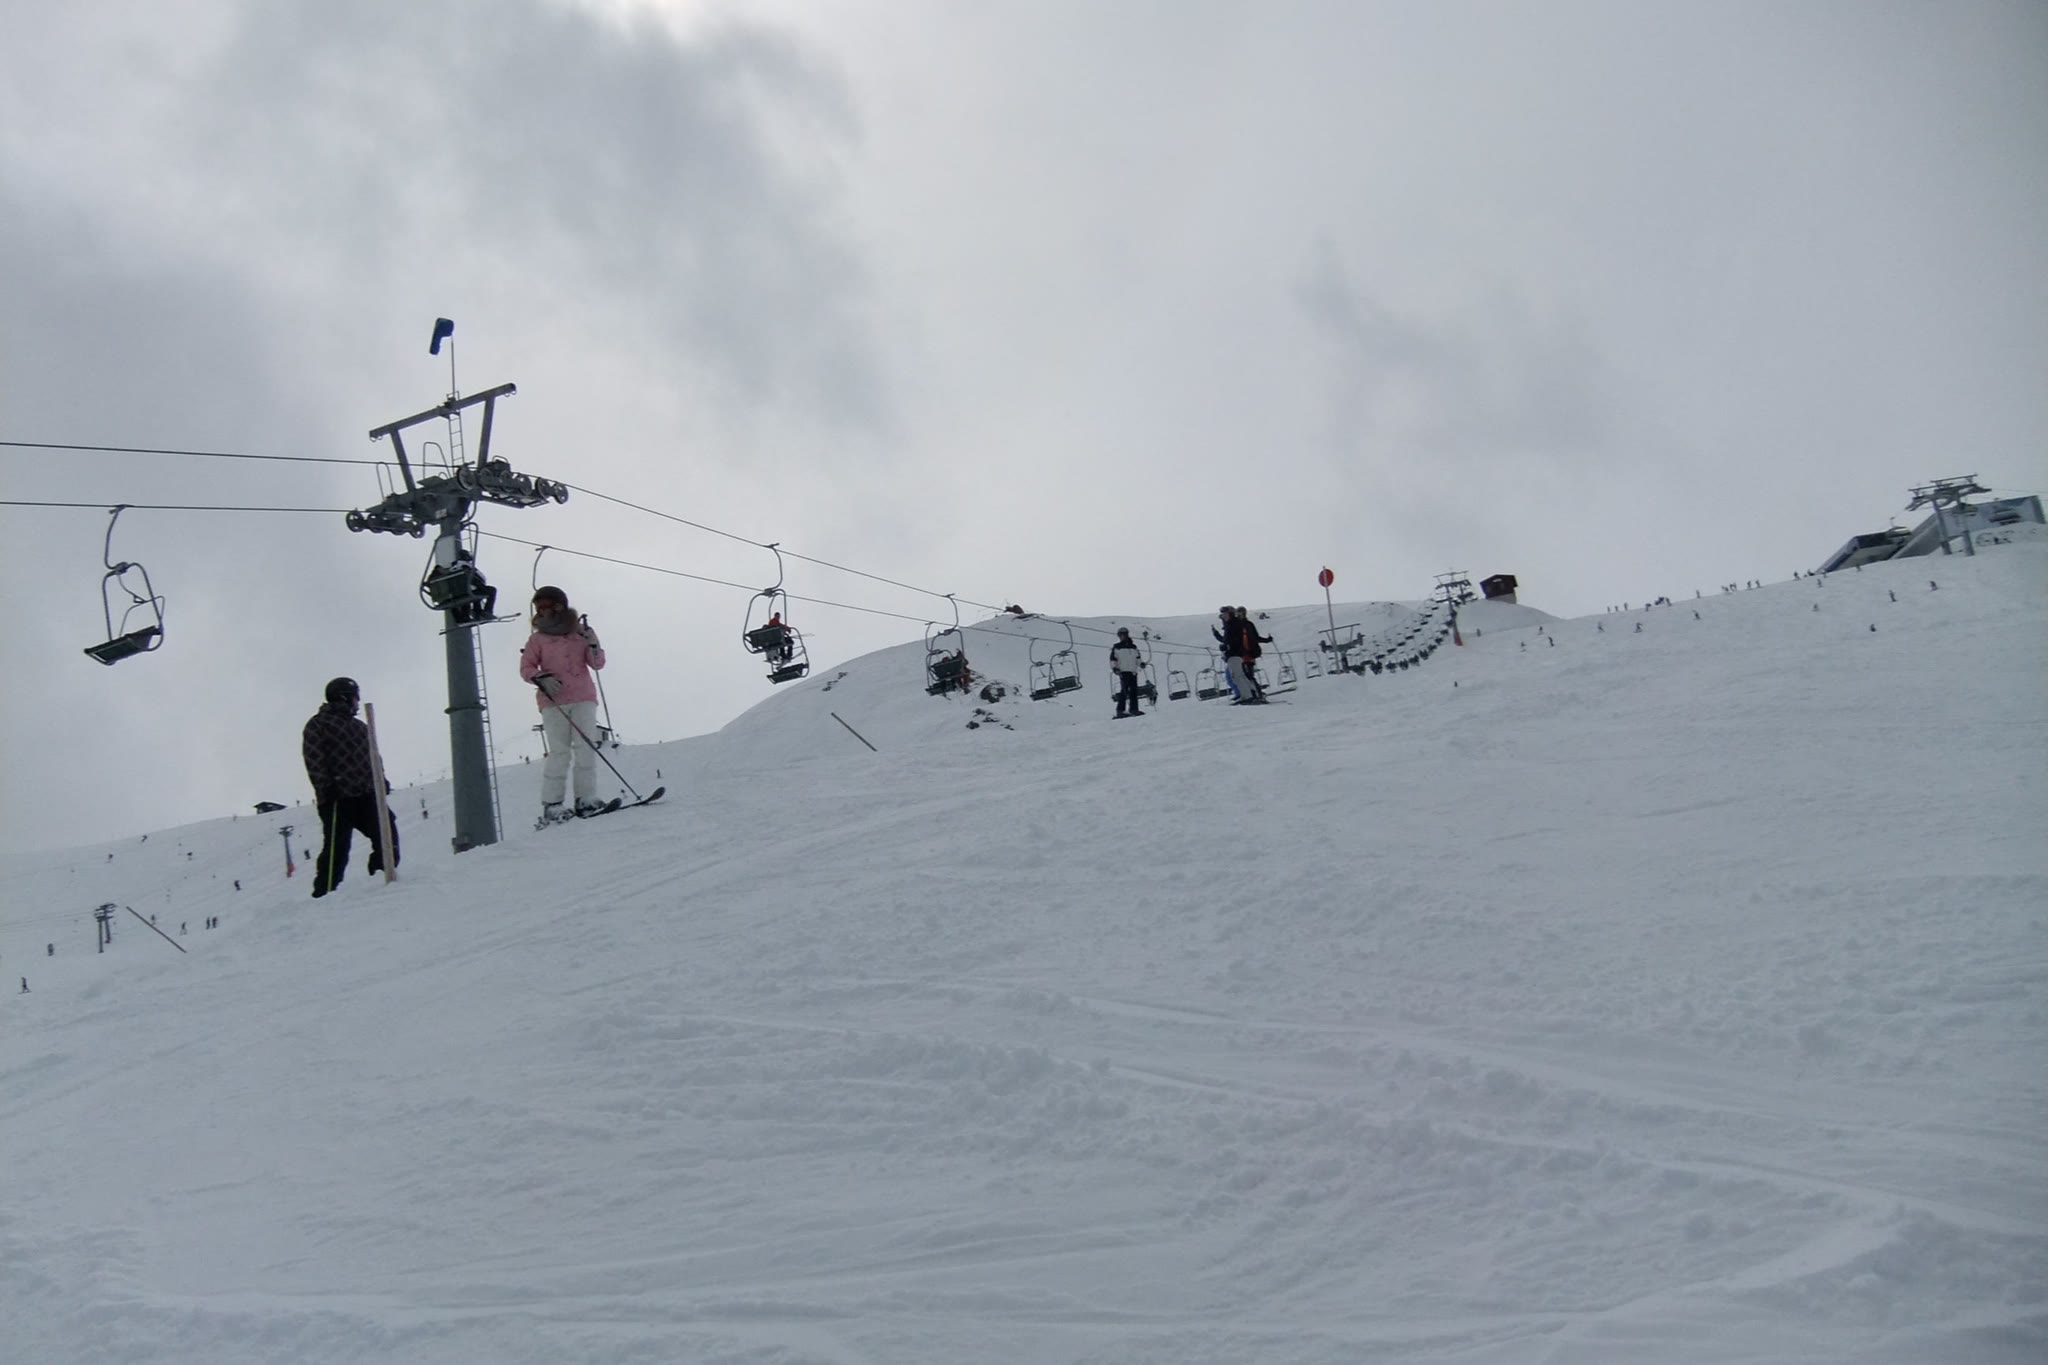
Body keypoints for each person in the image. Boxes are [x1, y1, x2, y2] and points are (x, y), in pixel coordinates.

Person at [300, 677, 399, 898]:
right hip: (337, 797)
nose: (357, 701)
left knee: (386, 831)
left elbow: (373, 756)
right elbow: (313, 758)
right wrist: (325, 786)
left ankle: (381, 875)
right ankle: (324, 892)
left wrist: (381, 779)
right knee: (338, 847)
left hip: (365, 794)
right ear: (343, 697)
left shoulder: (360, 727)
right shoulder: (319, 724)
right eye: (355, 697)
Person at [519, 586, 608, 823]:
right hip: (553, 700)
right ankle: (553, 804)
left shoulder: (580, 633)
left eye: (547, 606)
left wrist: (593, 643)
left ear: (560, 605)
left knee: (586, 748)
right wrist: (540, 677)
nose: (543, 612)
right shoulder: (537, 639)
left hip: (583, 697)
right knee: (559, 751)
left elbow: (597, 663)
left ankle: (586, 799)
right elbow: (526, 667)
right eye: (539, 608)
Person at [1109, 627, 1146, 718]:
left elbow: (1137, 658)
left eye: (1124, 635)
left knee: (1134, 690)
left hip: (1133, 671)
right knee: (1124, 691)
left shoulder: (1133, 647)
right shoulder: (1117, 647)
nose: (1123, 636)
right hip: (1123, 671)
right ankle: (1120, 710)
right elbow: (1113, 659)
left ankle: (1134, 709)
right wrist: (1115, 668)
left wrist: (1141, 663)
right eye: (1121, 635)